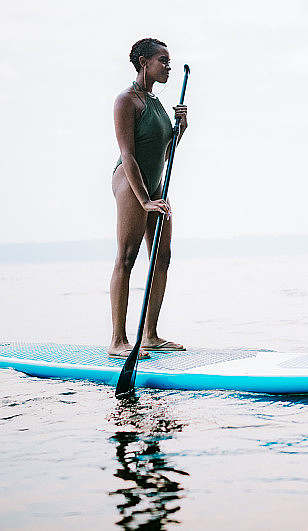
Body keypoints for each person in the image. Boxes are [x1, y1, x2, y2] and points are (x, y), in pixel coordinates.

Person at [108, 38, 188, 358]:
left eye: (169, 61)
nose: (168, 66)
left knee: (161, 256)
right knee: (127, 258)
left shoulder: (155, 104)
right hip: (131, 182)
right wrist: (143, 201)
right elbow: (128, 155)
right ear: (143, 62)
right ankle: (117, 340)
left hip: (154, 186)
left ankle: (150, 335)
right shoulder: (126, 100)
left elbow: (165, 155)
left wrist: (180, 129)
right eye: (162, 60)